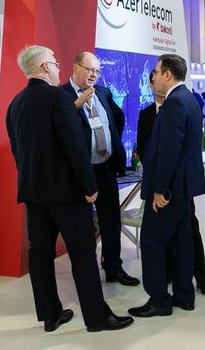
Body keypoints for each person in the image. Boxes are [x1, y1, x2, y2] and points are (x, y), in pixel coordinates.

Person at [5, 45, 133, 333]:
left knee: (40, 253)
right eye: (54, 63)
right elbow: (74, 147)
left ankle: (50, 315)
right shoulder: (59, 98)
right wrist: (89, 186)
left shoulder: (16, 103)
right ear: (44, 67)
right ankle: (97, 318)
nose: (58, 67)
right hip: (66, 193)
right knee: (83, 252)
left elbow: (18, 151)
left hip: (33, 193)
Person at [128, 54, 205, 318]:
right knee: (182, 240)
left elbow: (169, 151)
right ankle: (184, 295)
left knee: (152, 240)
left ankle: (159, 300)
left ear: (168, 74)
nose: (154, 76)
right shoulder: (189, 99)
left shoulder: (174, 103)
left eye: (157, 71)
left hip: (170, 189)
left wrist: (160, 190)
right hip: (184, 186)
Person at [61, 52, 140, 287]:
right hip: (80, 172)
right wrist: (76, 106)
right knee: (83, 223)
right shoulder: (61, 96)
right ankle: (87, 275)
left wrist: (112, 141)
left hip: (104, 168)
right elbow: (59, 128)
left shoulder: (103, 93)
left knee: (111, 219)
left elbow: (117, 117)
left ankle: (113, 267)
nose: (94, 75)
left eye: (97, 71)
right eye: (89, 69)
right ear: (76, 68)